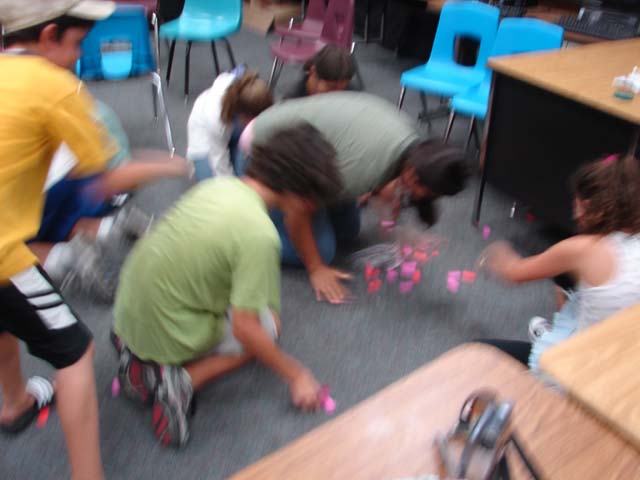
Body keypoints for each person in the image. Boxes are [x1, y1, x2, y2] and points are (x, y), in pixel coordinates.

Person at [112, 123, 342, 448]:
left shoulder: (218, 186)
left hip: (127, 310)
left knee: (226, 292)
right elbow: (247, 330)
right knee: (268, 327)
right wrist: (297, 375)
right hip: (167, 326)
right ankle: (183, 381)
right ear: (300, 195)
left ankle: (140, 360)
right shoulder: (260, 235)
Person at [0, 1, 117, 479]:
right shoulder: (55, 84)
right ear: (49, 35)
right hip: (3, 257)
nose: (79, 55)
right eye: (77, 44)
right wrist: (167, 165)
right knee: (75, 351)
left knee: (5, 318)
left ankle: (15, 403)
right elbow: (103, 178)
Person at [239, 92, 468, 304]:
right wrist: (316, 268)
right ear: (412, 175)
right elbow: (297, 208)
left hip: (304, 140)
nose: (425, 197)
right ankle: (241, 236)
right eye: (428, 192)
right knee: (323, 251)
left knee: (348, 229)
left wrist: (399, 231)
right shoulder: (360, 171)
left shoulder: (415, 145)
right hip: (262, 152)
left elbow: (384, 188)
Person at [478, 154, 640, 371]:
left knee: (478, 351)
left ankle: (551, 360)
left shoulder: (583, 250)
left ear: (592, 207)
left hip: (582, 368)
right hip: (627, 356)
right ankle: (560, 332)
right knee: (566, 280)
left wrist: (498, 251)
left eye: (578, 202)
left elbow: (513, 273)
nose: (574, 210)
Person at [32, 100, 192, 300]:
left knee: (13, 245)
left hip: (27, 186)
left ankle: (68, 258)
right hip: (67, 160)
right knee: (62, 216)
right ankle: (111, 226)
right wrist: (167, 166)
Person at [187, 67, 273, 180]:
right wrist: (232, 186)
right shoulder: (213, 117)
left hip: (233, 123)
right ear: (243, 115)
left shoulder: (245, 87)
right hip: (206, 142)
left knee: (248, 171)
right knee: (215, 185)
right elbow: (219, 165)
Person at [283, 44, 356, 99]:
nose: (336, 97)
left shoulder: (352, 94)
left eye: (343, 90)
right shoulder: (292, 101)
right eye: (331, 88)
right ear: (313, 72)